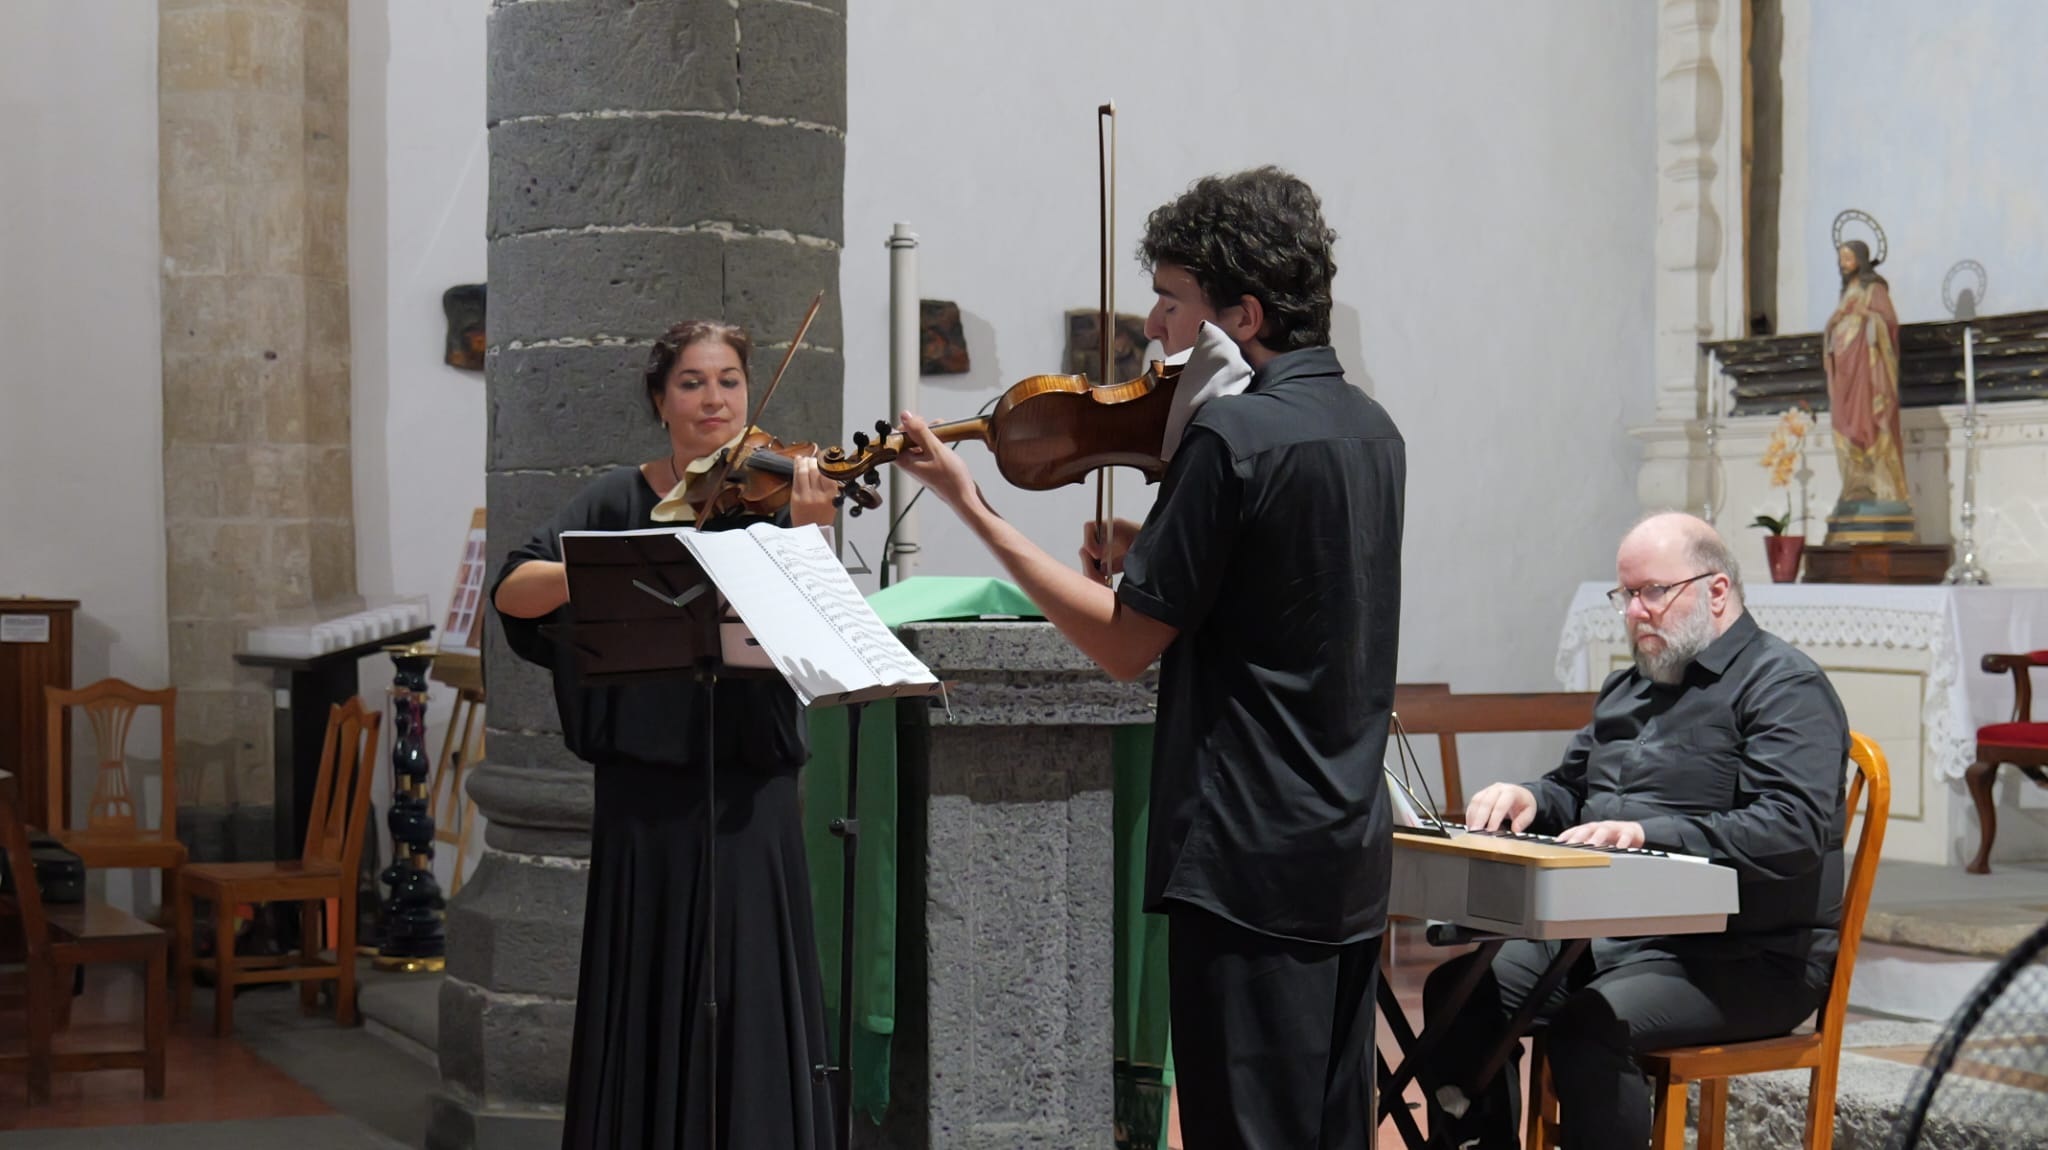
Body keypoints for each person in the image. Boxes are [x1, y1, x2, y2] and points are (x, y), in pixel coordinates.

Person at [893, 166, 1404, 1150]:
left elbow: (1125, 645)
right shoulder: (1367, 428)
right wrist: (1161, 552)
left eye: (1170, 304)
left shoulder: (1231, 432)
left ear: (1240, 314)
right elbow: (1293, 591)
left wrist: (971, 508)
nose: (1152, 333)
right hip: (1343, 846)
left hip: (1245, 852)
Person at [491, 319, 840, 1150]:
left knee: (749, 986)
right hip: (644, 802)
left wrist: (811, 533)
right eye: (692, 382)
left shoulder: (776, 494)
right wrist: (622, 562)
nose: (713, 398)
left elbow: (817, 639)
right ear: (660, 400)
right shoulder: (617, 498)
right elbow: (514, 592)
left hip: (749, 795)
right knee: (646, 988)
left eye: (728, 380)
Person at [1427, 511, 1848, 1150]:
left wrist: (1646, 834)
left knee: (1588, 1025)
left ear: (1716, 590)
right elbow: (1572, 792)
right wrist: (1528, 799)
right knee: (1459, 994)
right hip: (1609, 933)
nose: (1634, 612)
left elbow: (1790, 830)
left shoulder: (1783, 686)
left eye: (1653, 591)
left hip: (1745, 955)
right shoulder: (1629, 690)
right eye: (1625, 595)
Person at [1822, 239, 1910, 538]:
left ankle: (1882, 488)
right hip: (1846, 372)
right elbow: (1836, 329)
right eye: (1841, 259)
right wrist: (1834, 323)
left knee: (1872, 424)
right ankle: (1856, 487)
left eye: (1847, 258)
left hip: (1869, 372)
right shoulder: (1846, 292)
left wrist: (1865, 316)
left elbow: (1889, 323)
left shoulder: (1876, 289)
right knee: (1846, 425)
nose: (1843, 263)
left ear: (1860, 259)